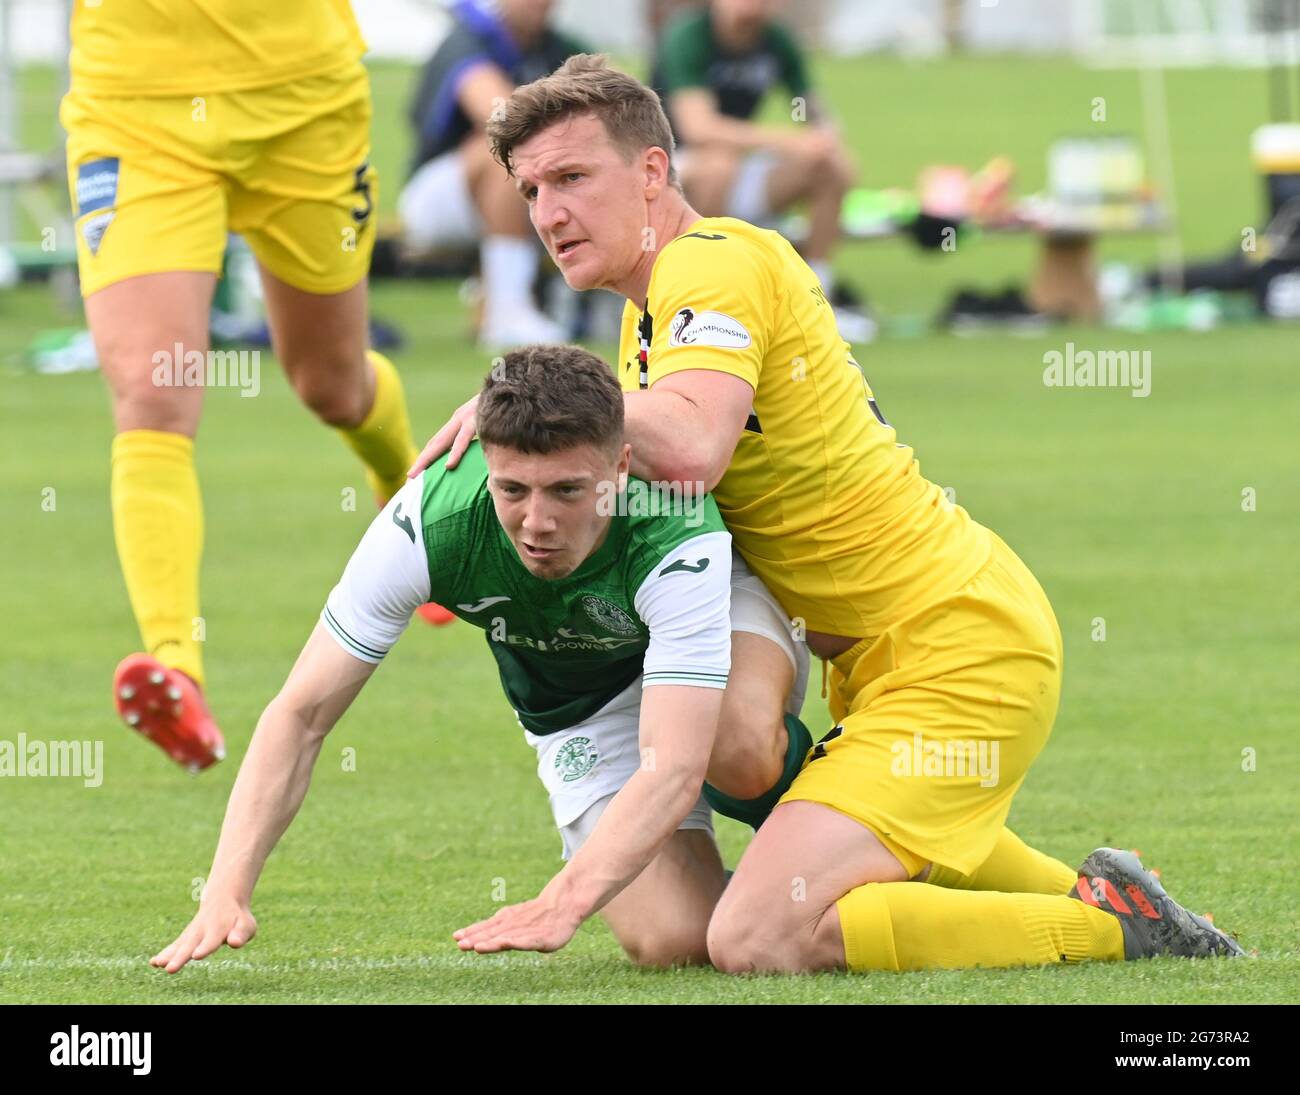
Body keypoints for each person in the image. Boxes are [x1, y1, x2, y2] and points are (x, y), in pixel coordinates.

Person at [410, 55, 1245, 970]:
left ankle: (1112, 933)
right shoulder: (648, 312)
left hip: (960, 646)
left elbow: (691, 447)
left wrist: (547, 399)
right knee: (738, 746)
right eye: (530, 189)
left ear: (653, 172)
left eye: (572, 177)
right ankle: (1092, 893)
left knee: (757, 934)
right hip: (885, 662)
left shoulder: (708, 264)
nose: (548, 212)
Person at [150, 346, 807, 973]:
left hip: (713, 627)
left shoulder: (672, 525)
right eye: (513, 489)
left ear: (622, 467)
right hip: (578, 702)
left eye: (568, 491)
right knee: (675, 939)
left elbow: (674, 766)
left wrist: (564, 900)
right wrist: (226, 889)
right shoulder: (430, 521)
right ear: (486, 465)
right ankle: (780, 904)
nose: (537, 522)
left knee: (736, 741)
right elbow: (300, 715)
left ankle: (848, 819)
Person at [61, 0, 457, 773]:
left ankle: (402, 485)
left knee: (332, 385)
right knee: (151, 389)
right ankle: (176, 666)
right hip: (135, 100)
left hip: (301, 95)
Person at [652, 0, 873, 342]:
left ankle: (814, 298)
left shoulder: (776, 41)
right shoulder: (690, 36)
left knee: (831, 167)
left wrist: (822, 139)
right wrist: (787, 140)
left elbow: (812, 111)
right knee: (717, 165)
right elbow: (698, 127)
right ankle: (708, 298)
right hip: (673, 165)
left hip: (737, 162)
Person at [400, 0, 590, 348]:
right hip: (436, 198)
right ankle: (508, 311)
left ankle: (607, 308)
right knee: (504, 153)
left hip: (533, 191)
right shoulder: (469, 38)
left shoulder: (560, 46)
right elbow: (501, 115)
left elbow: (613, 117)